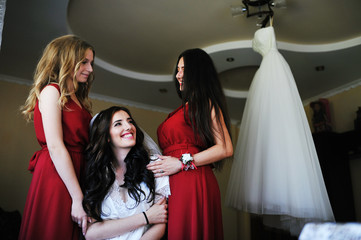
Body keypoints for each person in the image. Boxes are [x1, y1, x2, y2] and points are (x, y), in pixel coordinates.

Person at [226, 18, 334, 236]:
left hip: (272, 70)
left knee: (278, 125)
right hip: (266, 71)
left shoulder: (270, 25)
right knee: (267, 135)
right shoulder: (268, 29)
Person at [147, 48, 233, 240]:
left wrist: (181, 162)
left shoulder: (206, 103)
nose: (177, 74)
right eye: (177, 69)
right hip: (173, 181)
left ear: (197, 72)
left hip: (192, 178)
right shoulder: (182, 109)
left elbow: (225, 148)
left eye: (183, 69)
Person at [19, 35, 95, 239]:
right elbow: (55, 146)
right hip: (57, 172)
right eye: (84, 62)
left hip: (77, 171)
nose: (90, 69)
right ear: (67, 59)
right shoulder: (52, 91)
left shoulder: (78, 99)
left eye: (91, 63)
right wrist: (77, 197)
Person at [82, 106, 170, 240]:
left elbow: (160, 221)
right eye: (118, 124)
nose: (128, 126)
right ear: (107, 136)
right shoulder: (98, 174)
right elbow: (91, 233)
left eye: (130, 121)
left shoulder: (154, 165)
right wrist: (146, 217)